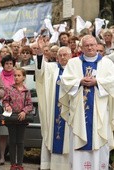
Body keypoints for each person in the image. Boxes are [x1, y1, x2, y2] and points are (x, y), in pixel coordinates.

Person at [60, 35, 114, 169]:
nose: (90, 47)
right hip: (79, 112)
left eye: (92, 45)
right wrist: (79, 81)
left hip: (100, 111)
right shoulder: (73, 63)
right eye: (86, 45)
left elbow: (112, 82)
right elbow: (65, 81)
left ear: (97, 45)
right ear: (81, 48)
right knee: (78, 142)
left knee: (99, 140)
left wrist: (97, 82)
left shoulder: (107, 63)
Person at [34, 46, 71, 170]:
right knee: (53, 134)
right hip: (53, 110)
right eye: (60, 55)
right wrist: (40, 55)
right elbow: (40, 72)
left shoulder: (75, 69)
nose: (62, 57)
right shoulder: (52, 67)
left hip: (70, 112)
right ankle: (50, 165)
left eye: (65, 54)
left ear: (70, 56)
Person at [2, 67, 33, 170]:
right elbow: (5, 100)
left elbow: (29, 104)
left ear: (23, 77)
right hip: (12, 118)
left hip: (22, 119)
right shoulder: (9, 89)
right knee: (12, 141)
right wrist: (7, 106)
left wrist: (24, 111)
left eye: (19, 75)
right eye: (15, 75)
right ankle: (12, 164)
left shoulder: (26, 91)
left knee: (20, 141)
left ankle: (19, 164)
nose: (16, 77)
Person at [0, 55, 16, 166]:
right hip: (2, 108)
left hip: (15, 108)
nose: (9, 65)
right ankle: (2, 157)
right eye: (6, 63)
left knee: (14, 134)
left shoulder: (17, 75)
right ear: (3, 65)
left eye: (10, 63)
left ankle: (15, 159)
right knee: (3, 133)